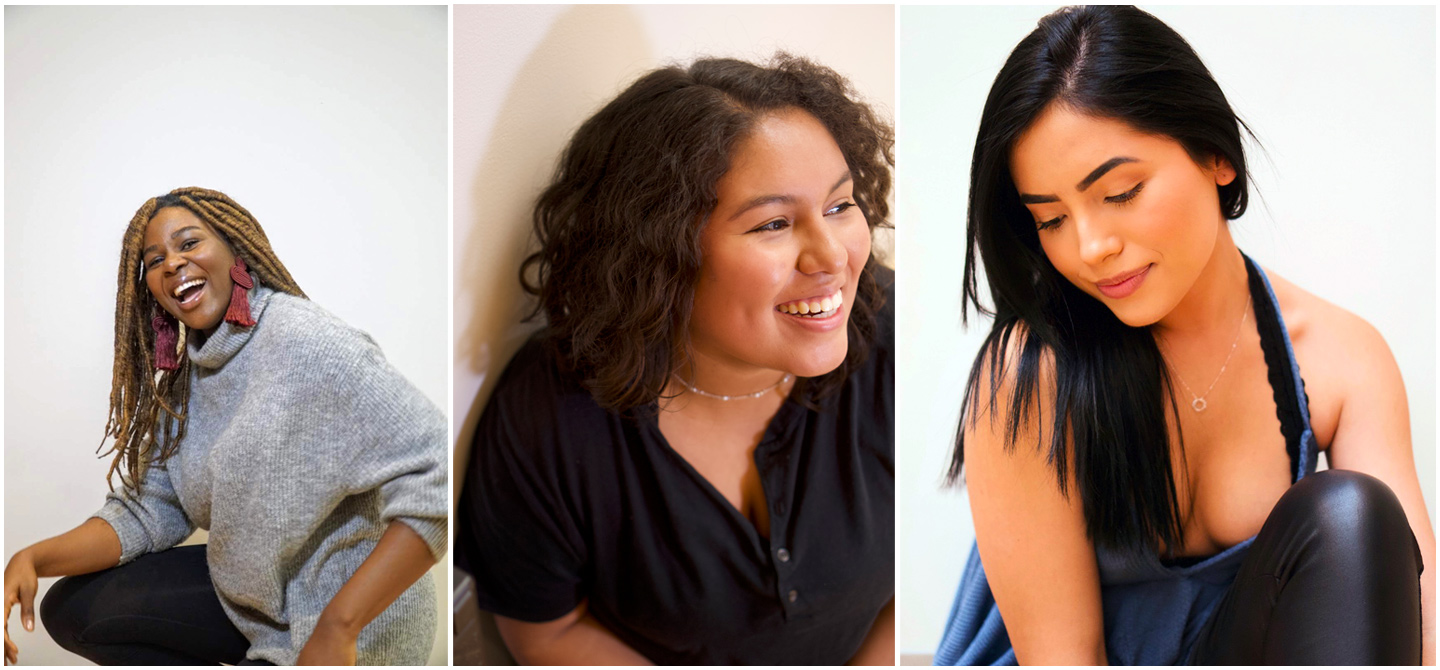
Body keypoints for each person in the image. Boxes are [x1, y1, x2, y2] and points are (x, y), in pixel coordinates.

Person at [934, 6, 1433, 665]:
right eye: (1051, 220)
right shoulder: (1032, 372)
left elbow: (1413, 625)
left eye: (1120, 191)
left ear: (1215, 155)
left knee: (1352, 514)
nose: (1092, 247)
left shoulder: (1338, 358)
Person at [455, 54, 895, 665]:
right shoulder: (550, 413)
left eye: (840, 206)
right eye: (773, 223)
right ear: (660, 252)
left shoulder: (888, 327)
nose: (833, 258)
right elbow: (545, 632)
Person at [2, 187, 448, 666]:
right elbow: (149, 509)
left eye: (189, 243)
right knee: (75, 608)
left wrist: (340, 626)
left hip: (351, 629)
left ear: (236, 250)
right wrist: (31, 559)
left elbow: (436, 469)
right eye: (155, 260)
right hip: (256, 609)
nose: (172, 263)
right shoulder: (186, 377)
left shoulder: (307, 343)